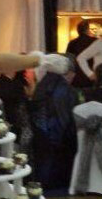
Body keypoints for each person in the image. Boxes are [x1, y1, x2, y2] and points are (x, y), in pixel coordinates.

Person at [29, 55, 79, 189]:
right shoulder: (65, 89)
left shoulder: (41, 85)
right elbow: (69, 117)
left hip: (39, 134)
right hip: (58, 138)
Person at [66, 20, 96, 88]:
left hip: (77, 76)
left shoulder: (72, 43)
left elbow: (68, 60)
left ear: (78, 30)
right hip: (91, 75)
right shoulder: (95, 41)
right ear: (87, 30)